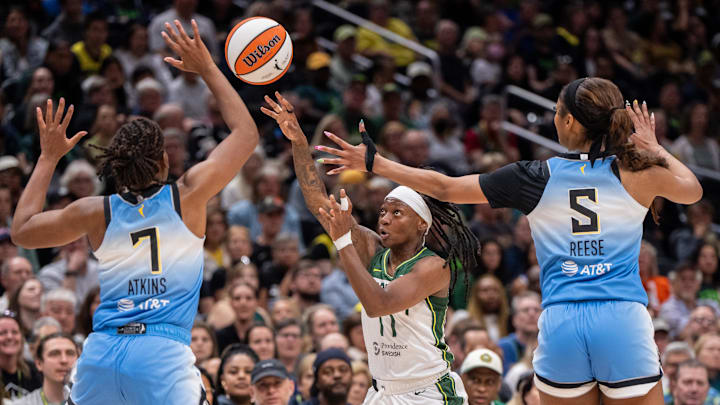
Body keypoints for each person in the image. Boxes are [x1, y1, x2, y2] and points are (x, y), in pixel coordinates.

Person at [317, 77, 704, 404]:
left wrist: (375, 162)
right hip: (622, 318)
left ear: (569, 121)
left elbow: (445, 187)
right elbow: (693, 191)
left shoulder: (535, 176)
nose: (554, 118)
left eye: (555, 111)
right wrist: (657, 150)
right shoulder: (637, 172)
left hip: (562, 321)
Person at [10, 20, 260, 404]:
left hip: (101, 354)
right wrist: (208, 68)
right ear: (163, 160)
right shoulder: (187, 196)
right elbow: (245, 134)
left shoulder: (97, 212)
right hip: (161, 352)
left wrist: (47, 159)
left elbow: (22, 230)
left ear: (115, 166)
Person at [263, 92, 477, 404]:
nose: (385, 219)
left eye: (396, 213)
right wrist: (298, 142)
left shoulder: (433, 267)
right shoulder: (374, 248)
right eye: (382, 212)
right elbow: (318, 202)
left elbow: (377, 304)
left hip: (428, 392)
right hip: (381, 391)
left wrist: (342, 242)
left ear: (422, 224)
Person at [9, 332, 79, 405]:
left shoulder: (89, 401)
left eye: (70, 353)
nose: (64, 360)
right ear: (39, 363)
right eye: (54, 353)